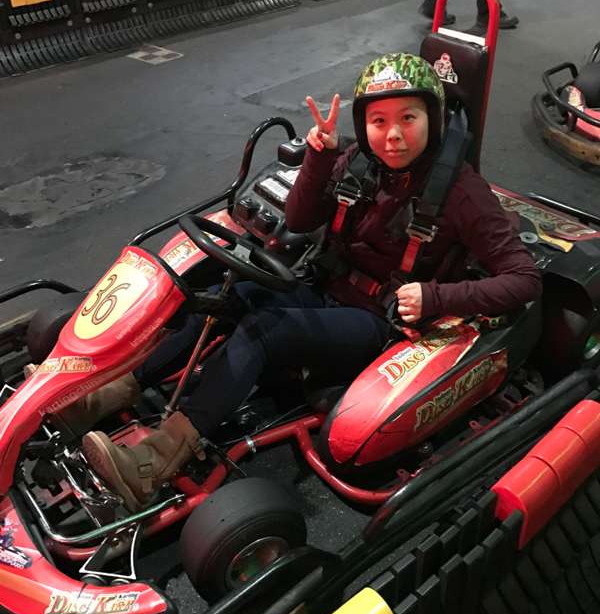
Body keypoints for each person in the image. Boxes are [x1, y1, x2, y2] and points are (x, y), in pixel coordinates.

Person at [80, 53, 541, 512]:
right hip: (324, 286)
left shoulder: (462, 192)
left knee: (265, 332)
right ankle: (111, 392)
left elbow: (524, 280)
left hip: (378, 322)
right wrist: (320, 157)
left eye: (408, 118)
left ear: (433, 120)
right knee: (229, 294)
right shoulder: (359, 162)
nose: (393, 135)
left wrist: (436, 296)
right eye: (379, 121)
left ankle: (152, 463)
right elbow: (300, 219)